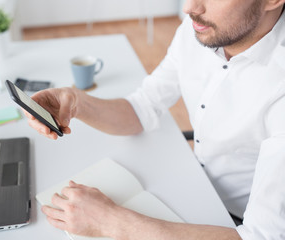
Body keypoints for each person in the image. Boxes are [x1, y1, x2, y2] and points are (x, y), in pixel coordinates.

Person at [24, 0, 285, 239]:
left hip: (235, 220)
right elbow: (143, 107)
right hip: (196, 182)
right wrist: (77, 103)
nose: (189, 7)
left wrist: (113, 222)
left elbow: (262, 236)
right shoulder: (200, 28)